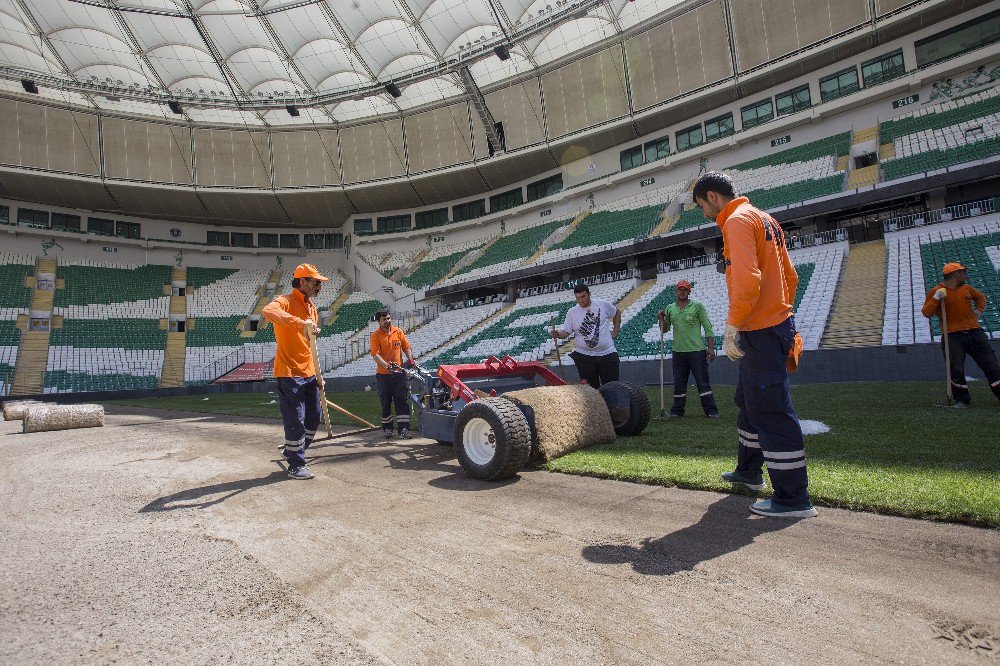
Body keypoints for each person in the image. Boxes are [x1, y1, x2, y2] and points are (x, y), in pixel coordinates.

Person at [692, 171, 816, 518]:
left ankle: (793, 497)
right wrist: (781, 315)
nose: (705, 214)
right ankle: (748, 471)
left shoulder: (735, 221)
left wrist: (734, 326)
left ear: (713, 197)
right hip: (772, 324)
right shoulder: (766, 219)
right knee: (747, 400)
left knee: (771, 410)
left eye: (703, 206)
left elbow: (747, 280)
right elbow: (790, 276)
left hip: (759, 329)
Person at [261, 263, 328, 480]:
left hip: (309, 371)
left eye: (320, 283)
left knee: (313, 418)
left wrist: (318, 373)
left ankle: (292, 450)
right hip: (289, 372)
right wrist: (299, 323)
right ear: (303, 282)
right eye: (316, 282)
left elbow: (310, 344)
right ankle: (296, 464)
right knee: (295, 420)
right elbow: (268, 311)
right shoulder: (285, 301)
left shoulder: (312, 308)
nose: (319, 286)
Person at [921, 261, 1000, 406]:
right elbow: (926, 312)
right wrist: (935, 299)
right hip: (952, 335)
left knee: (991, 364)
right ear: (956, 274)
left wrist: (979, 311)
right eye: (964, 272)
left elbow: (981, 298)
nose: (966, 275)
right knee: (955, 369)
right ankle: (962, 399)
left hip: (974, 332)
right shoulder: (936, 291)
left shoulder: (967, 288)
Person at [658, 279, 719, 418]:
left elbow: (708, 327)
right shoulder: (670, 308)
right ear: (676, 291)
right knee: (679, 383)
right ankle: (677, 411)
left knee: (702, 382)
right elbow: (664, 329)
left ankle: (711, 411)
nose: (682, 292)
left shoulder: (697, 306)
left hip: (697, 351)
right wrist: (661, 319)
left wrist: (710, 347)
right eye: (680, 289)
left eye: (685, 289)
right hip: (678, 352)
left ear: (689, 291)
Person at [551, 284, 621, 388]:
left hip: (607, 353)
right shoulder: (572, 312)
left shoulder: (602, 304)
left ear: (589, 294)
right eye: (578, 298)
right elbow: (566, 332)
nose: (581, 300)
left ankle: (612, 405)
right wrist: (558, 334)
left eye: (583, 296)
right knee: (590, 390)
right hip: (584, 357)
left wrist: (615, 331)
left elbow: (617, 313)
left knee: (612, 388)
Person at [370, 309, 415, 439]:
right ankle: (388, 428)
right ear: (379, 321)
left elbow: (406, 347)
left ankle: (404, 429)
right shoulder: (375, 336)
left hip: (399, 373)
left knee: (401, 400)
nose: (387, 321)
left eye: (389, 318)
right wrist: (386, 365)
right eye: (384, 319)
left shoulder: (398, 331)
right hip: (383, 375)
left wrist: (410, 360)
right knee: (386, 402)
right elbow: (375, 354)